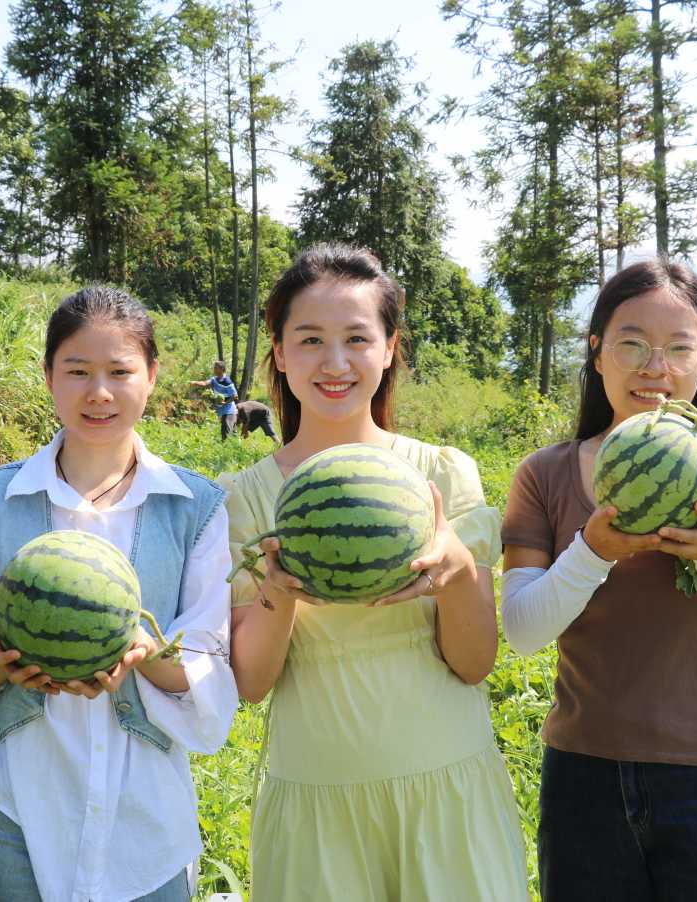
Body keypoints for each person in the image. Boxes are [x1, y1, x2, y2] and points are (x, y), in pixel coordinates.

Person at [220, 244, 528, 901]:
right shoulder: (243, 497)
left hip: (446, 792)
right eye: (309, 340)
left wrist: (452, 570)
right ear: (278, 351)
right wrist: (278, 587)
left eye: (357, 338)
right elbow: (251, 682)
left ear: (389, 348)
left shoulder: (443, 475)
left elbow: (475, 663)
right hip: (316, 806)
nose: (334, 363)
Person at [500, 259, 697, 902]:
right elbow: (524, 631)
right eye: (631, 343)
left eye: (677, 347)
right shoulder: (544, 474)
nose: (653, 366)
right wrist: (592, 551)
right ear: (597, 351)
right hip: (584, 775)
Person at [0, 286, 236, 902]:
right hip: (21, 806)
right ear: (48, 376)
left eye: (120, 372)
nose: (99, 392)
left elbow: (210, 660)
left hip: (146, 819)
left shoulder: (196, 508)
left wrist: (144, 653)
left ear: (151, 376)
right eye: (77, 371)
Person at [190, 360, 238, 440]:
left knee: (225, 435)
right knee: (232, 435)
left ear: (222, 369)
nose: (214, 370)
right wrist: (195, 382)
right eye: (214, 368)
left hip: (229, 411)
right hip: (222, 411)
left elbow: (235, 396)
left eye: (216, 368)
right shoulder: (214, 379)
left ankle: (226, 450)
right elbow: (205, 383)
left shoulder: (227, 382)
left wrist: (225, 402)